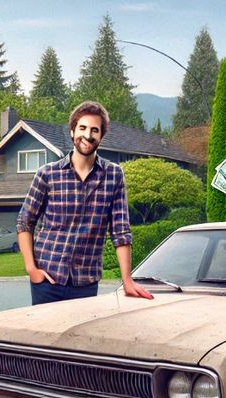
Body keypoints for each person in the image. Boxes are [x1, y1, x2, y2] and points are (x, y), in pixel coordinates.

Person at [17, 100, 153, 305]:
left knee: (79, 337)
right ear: (72, 131)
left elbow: (120, 231)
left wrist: (127, 280)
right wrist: (31, 269)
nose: (87, 135)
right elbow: (25, 222)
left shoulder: (113, 175)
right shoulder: (47, 174)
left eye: (94, 130)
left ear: (101, 136)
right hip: (46, 280)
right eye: (82, 128)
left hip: (85, 284)